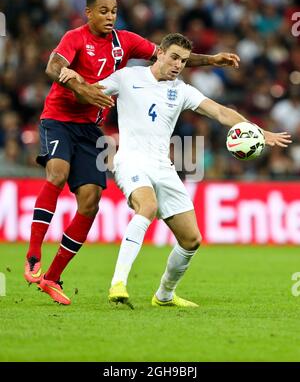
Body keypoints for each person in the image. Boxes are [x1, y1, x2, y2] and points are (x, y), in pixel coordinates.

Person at [24, 0, 241, 306]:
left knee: (91, 201)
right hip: (58, 117)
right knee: (57, 173)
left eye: (113, 11)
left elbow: (171, 55)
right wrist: (75, 84)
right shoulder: (74, 37)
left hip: (89, 128)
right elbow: (53, 67)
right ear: (89, 13)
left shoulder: (125, 42)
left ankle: (53, 277)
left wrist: (212, 60)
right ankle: (33, 254)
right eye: (103, 11)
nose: (110, 16)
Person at [63, 33, 291, 307]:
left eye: (183, 61)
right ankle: (118, 283)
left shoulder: (181, 90)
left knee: (191, 239)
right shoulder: (127, 77)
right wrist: (71, 78)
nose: (178, 65)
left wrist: (258, 131)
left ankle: (164, 295)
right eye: (173, 57)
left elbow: (220, 112)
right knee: (147, 206)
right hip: (131, 160)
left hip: (163, 166)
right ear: (159, 53)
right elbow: (89, 92)